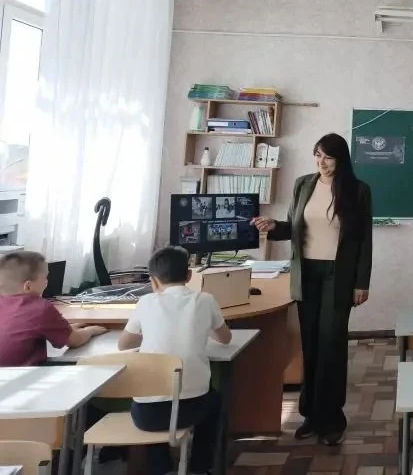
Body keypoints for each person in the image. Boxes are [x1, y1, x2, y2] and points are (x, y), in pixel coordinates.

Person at [252, 133, 373, 445]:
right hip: (306, 272)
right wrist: (274, 227)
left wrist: (362, 282)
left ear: (341, 159)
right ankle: (310, 415)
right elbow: (293, 228)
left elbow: (364, 241)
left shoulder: (358, 191)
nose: (322, 162)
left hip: (338, 275)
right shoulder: (303, 184)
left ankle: (333, 418)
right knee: (310, 344)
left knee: (331, 344)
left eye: (328, 157)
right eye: (318, 155)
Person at [119, 246, 231, 475]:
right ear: (189, 275)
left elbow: (124, 344)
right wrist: (202, 327)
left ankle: (161, 468)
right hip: (194, 409)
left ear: (153, 281)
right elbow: (225, 338)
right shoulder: (205, 300)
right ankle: (201, 467)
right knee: (216, 401)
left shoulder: (145, 302)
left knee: (151, 395)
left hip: (147, 416)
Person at [0, 251, 105, 366]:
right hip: (21, 375)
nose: (47, 282)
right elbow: (74, 340)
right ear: (28, 286)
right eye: (45, 278)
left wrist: (66, 329)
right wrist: (90, 331)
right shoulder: (40, 308)